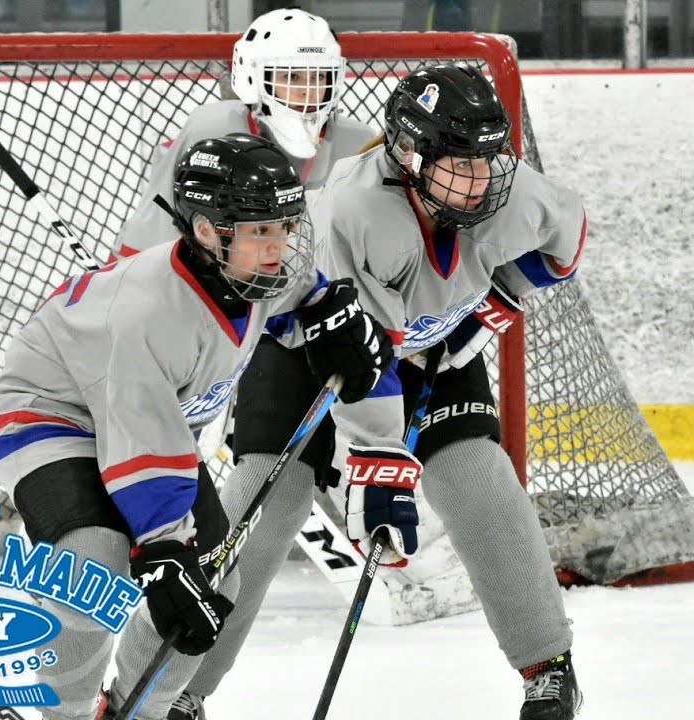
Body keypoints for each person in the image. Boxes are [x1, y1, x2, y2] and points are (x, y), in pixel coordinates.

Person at [165, 64, 588, 720]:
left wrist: (499, 301)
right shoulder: (354, 209)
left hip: (428, 347)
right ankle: (178, 689)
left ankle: (548, 667)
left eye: (489, 159)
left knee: (478, 481)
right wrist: (380, 465)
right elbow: (362, 354)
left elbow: (567, 237)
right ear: (412, 155)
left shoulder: (509, 193)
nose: (485, 179)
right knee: (263, 502)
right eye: (462, 164)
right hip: (311, 341)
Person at [0, 133, 392, 720]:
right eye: (260, 232)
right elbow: (141, 448)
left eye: (283, 228)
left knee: (215, 584)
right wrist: (166, 550)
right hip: (50, 416)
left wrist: (334, 316)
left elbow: (302, 297)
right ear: (206, 231)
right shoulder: (151, 314)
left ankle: (134, 711)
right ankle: (65, 712)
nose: (277, 246)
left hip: (144, 424)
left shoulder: (248, 273)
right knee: (93, 561)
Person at [112, 7, 377, 260]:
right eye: (292, 76)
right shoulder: (210, 129)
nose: (307, 90)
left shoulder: (358, 142)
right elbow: (154, 228)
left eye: (319, 76)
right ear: (253, 77)